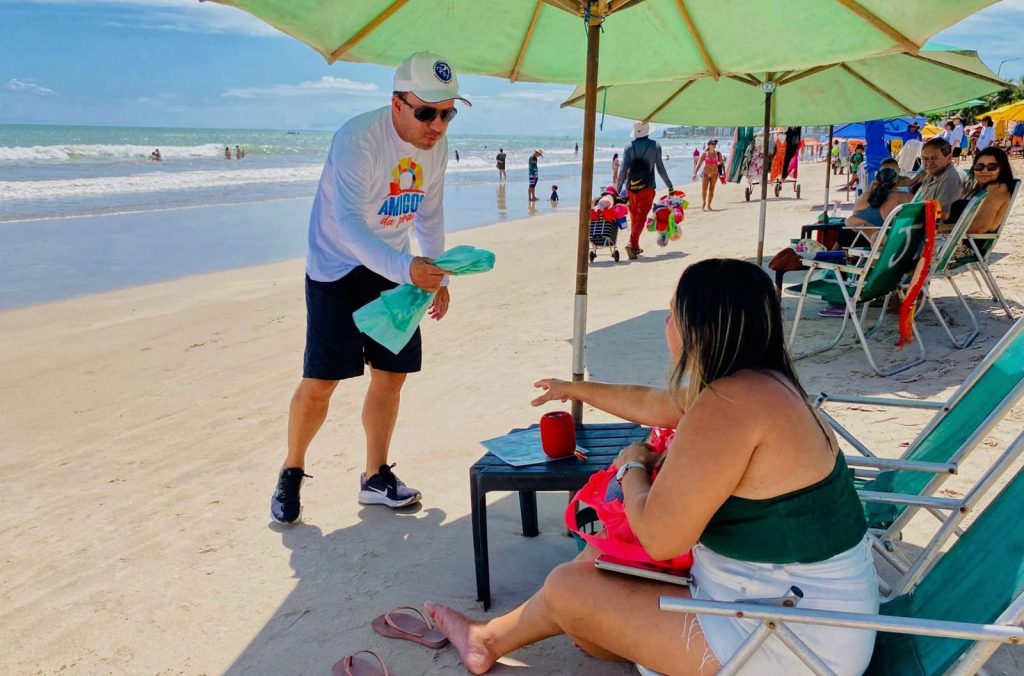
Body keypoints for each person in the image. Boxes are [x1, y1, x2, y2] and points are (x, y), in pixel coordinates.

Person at [425, 258, 878, 676]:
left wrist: (632, 468)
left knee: (568, 589)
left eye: (673, 313)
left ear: (700, 328)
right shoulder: (760, 386)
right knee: (593, 575)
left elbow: (660, 539)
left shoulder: (730, 406)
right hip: (793, 608)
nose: (666, 323)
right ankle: (493, 638)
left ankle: (486, 640)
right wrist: (573, 389)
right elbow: (648, 403)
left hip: (793, 643)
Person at [269, 52, 471, 523]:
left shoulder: (435, 147)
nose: (437, 126)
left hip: (395, 266)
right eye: (427, 113)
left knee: (391, 373)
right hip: (336, 267)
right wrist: (409, 267)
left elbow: (429, 213)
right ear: (397, 104)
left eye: (447, 114)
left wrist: (438, 275)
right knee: (321, 383)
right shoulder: (357, 140)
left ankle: (375, 476)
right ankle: (292, 469)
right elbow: (349, 226)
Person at [615, 121, 673, 259]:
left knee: (635, 217)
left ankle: (635, 246)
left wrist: (616, 191)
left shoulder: (629, 147)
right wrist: (669, 185)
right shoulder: (655, 146)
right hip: (647, 186)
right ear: (648, 131)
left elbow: (623, 170)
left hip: (631, 188)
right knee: (641, 218)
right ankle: (631, 243)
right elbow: (660, 168)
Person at [939, 146, 1014, 235]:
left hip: (961, 241)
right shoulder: (983, 189)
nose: (984, 171)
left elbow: (980, 227)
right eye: (979, 166)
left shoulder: (997, 189)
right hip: (951, 238)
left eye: (992, 167)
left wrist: (942, 228)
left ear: (1002, 169)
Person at [914, 136, 964, 218]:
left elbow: (942, 215)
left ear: (949, 158)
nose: (929, 163)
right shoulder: (932, 173)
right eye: (925, 159)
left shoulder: (950, 177)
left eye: (934, 158)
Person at [692, 140, 724, 211]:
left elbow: (721, 164)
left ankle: (709, 205)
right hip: (705, 174)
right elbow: (698, 164)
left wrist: (722, 174)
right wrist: (694, 173)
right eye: (712, 144)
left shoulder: (718, 154)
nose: (714, 145)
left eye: (714, 144)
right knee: (704, 190)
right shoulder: (704, 154)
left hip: (714, 174)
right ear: (709, 145)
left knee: (711, 190)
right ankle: (704, 203)